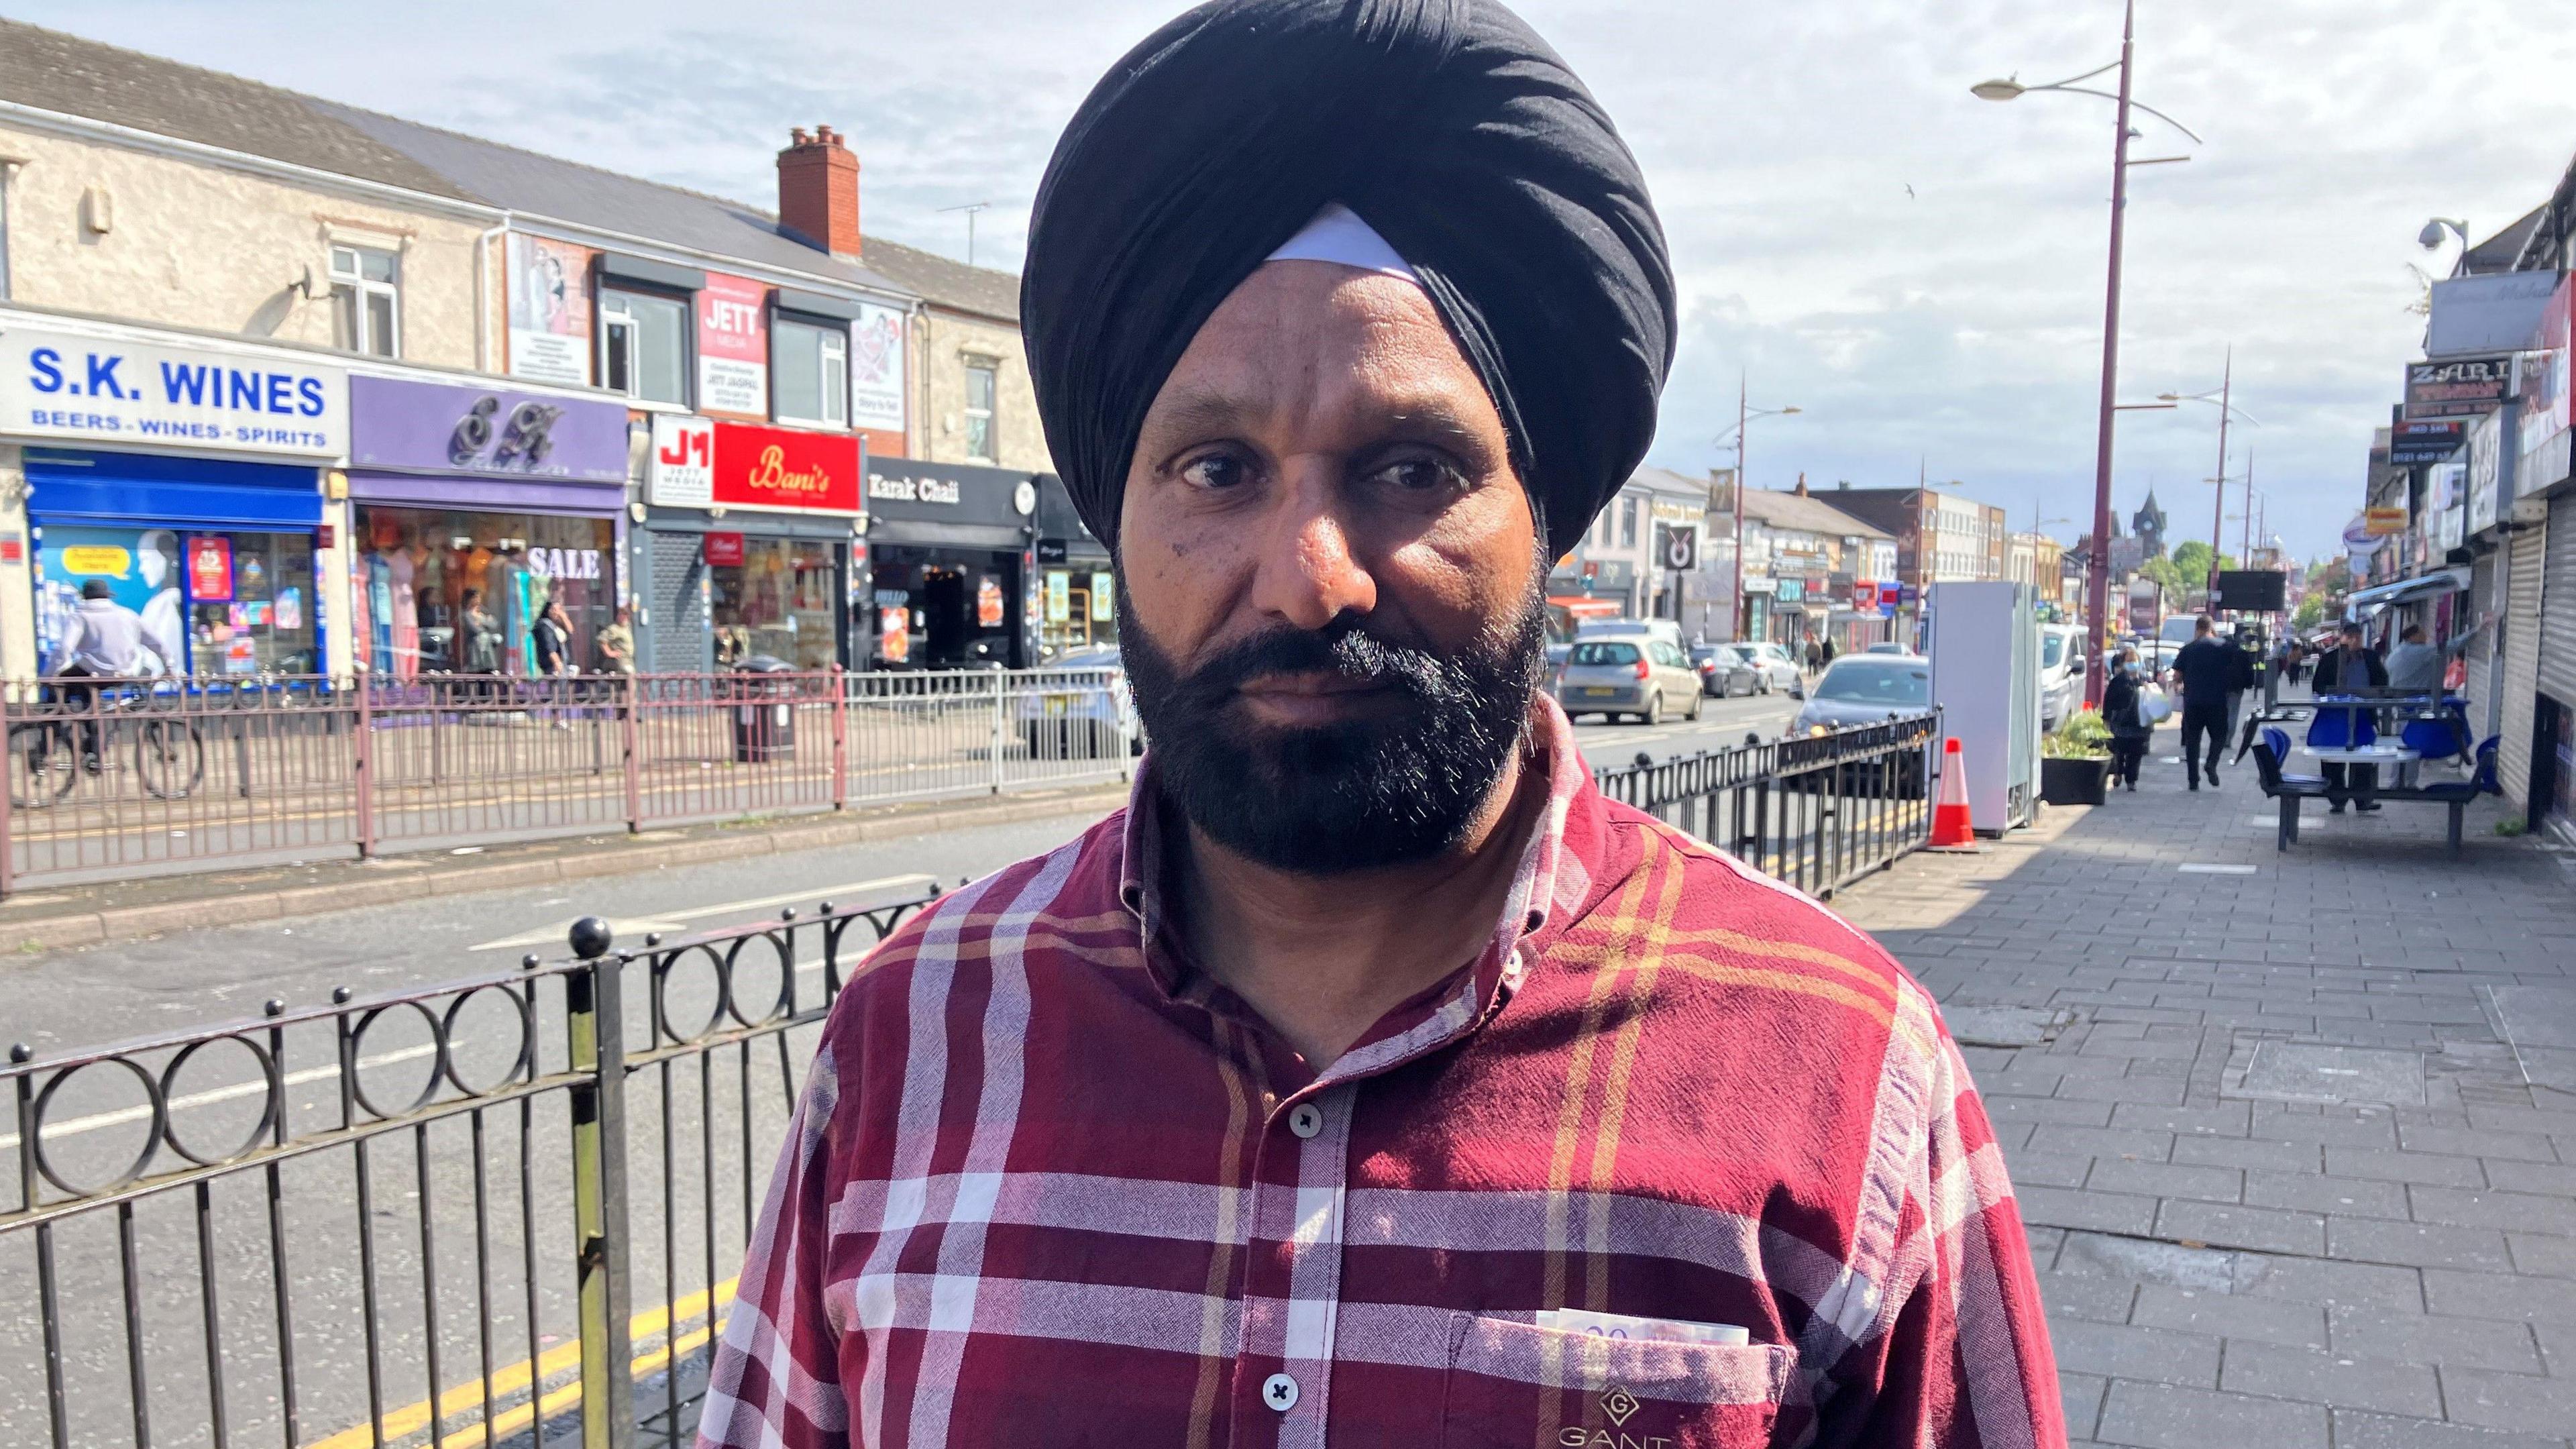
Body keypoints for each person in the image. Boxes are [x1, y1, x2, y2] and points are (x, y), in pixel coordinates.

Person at [698, 4, 2060, 1446]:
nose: (1311, 573)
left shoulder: (1837, 1067)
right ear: (1121, 513)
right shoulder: (921, 1033)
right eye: (1219, 468)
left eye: (1411, 467)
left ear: (1550, 524)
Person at [52, 578, 162, 771]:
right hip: (123, 674)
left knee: (59, 692)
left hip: (90, 673)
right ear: (107, 595)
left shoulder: (81, 615)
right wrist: (170, 667)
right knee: (90, 702)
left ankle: (52, 741)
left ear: (85, 596)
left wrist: (49, 675)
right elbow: (156, 643)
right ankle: (94, 748)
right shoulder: (128, 615)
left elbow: (64, 649)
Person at [2312, 621, 2388, 813]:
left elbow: (2382, 681)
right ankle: (2337, 799)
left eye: (2358, 636)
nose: (2354, 640)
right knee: (2333, 759)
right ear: (2342, 637)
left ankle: (2362, 799)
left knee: (2363, 758)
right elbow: (2318, 685)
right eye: (2350, 636)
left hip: (2363, 714)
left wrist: (2373, 697)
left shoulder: (2371, 657)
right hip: (2336, 716)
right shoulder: (2330, 658)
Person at [2165, 614, 2235, 790]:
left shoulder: (2189, 649)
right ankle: (2211, 763)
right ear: (2212, 628)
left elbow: (2178, 676)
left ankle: (2193, 780)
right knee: (2219, 736)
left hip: (2194, 702)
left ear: (2197, 629)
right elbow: (2235, 670)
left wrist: (2178, 686)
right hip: (2217, 701)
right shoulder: (2224, 648)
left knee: (2193, 741)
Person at [2101, 645, 2153, 791]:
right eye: (2129, 661)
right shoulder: (2118, 681)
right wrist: (2106, 718)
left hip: (2139, 724)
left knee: (2135, 755)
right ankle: (2118, 773)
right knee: (2119, 751)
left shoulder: (2144, 681)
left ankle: (2131, 780)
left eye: (2134, 661)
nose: (2132, 664)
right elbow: (2109, 701)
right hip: (2121, 724)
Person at [596, 604, 637, 676]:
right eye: (621, 614)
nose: (623, 617)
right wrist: (609, 653)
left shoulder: (627, 627)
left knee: (632, 677)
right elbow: (602, 640)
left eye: (626, 615)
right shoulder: (614, 628)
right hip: (620, 660)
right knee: (629, 672)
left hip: (629, 660)